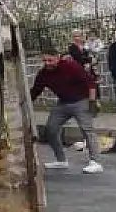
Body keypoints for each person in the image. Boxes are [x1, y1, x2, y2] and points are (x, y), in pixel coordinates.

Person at [30, 45, 104, 174]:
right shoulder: (43, 73)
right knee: (51, 129)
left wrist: (92, 102)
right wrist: (24, 104)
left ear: (57, 58)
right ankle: (61, 161)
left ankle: (95, 162)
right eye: (45, 61)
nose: (47, 63)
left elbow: (90, 83)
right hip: (63, 103)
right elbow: (35, 91)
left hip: (81, 101)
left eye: (50, 60)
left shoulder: (71, 66)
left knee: (87, 130)